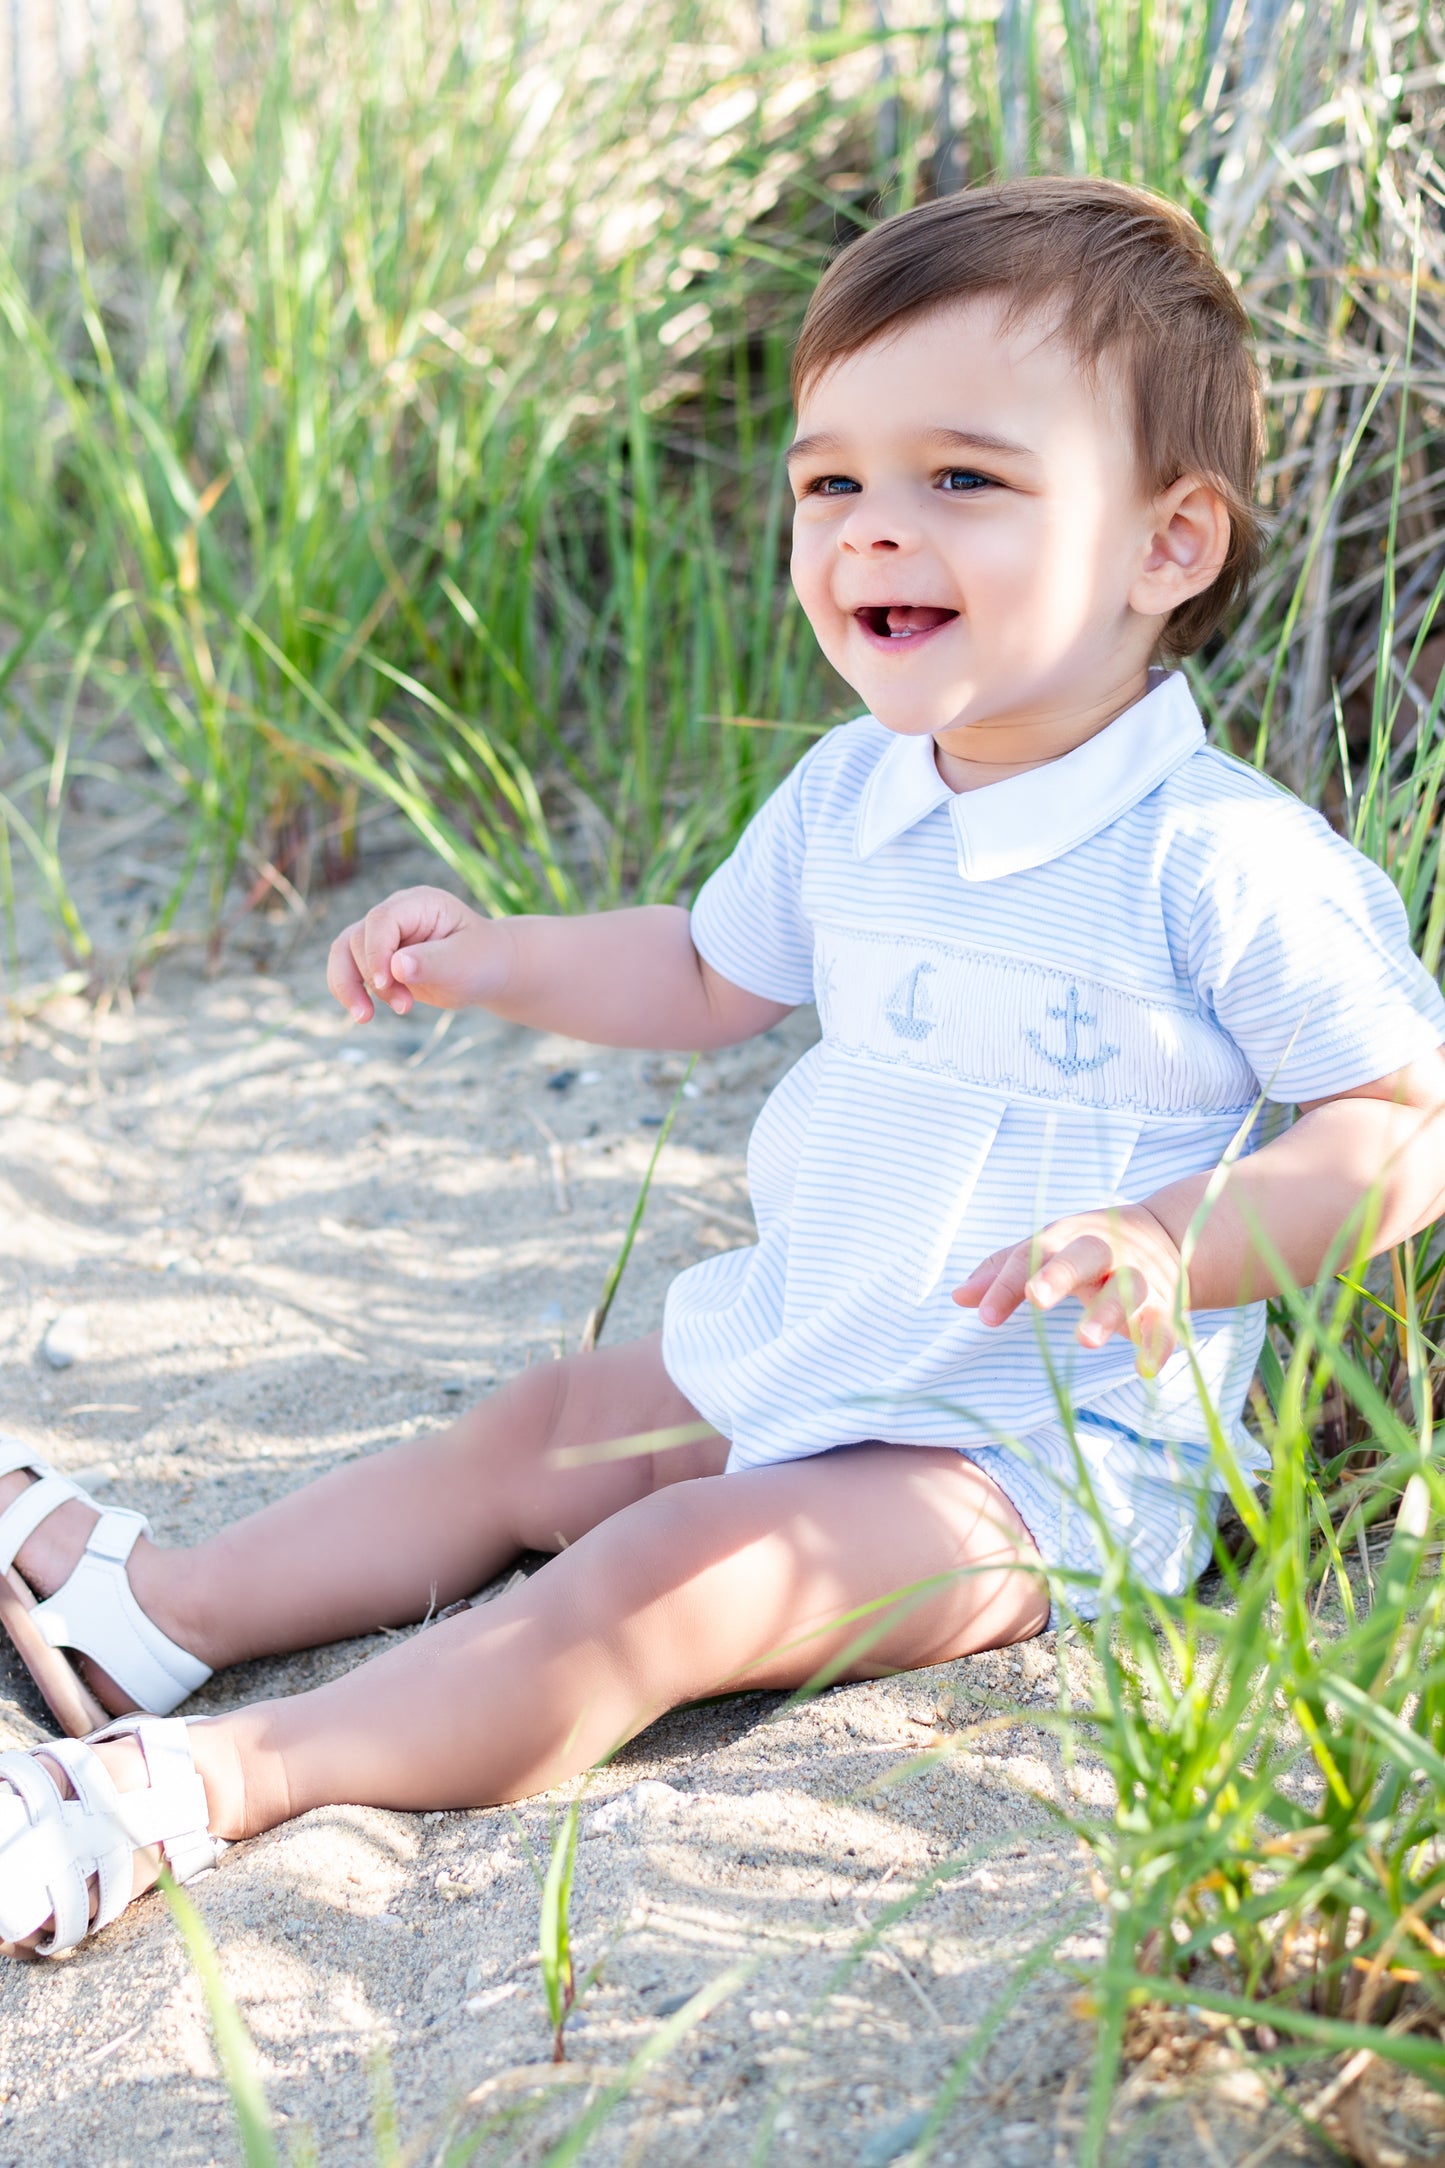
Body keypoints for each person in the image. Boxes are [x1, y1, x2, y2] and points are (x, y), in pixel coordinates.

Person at [4, 175, 1444, 1958]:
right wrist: (491, 956)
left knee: (659, 1583)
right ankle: (155, 1609)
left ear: (1167, 544)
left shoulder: (1217, 859)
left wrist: (1171, 1235)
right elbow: (700, 967)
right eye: (830, 480)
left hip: (1024, 1458)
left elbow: (1394, 1128)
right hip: (816, 1330)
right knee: (540, 1428)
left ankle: (206, 1782)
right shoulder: (853, 792)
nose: (869, 531)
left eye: (961, 480)